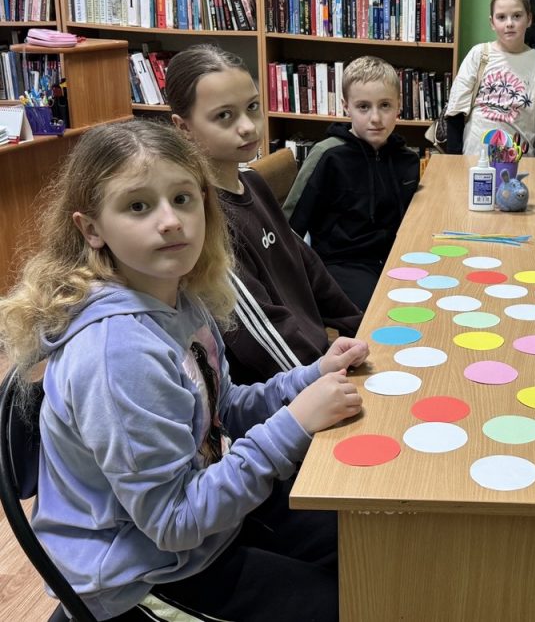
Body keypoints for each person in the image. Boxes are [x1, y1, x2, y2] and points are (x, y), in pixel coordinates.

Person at [0, 120, 369, 620]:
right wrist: (294, 424)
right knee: (351, 605)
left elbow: (223, 409)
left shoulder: (179, 297)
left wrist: (312, 374)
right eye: (138, 206)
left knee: (368, 541)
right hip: (140, 575)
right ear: (91, 229)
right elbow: (172, 523)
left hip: (204, 526)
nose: (171, 221)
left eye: (182, 199)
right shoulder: (118, 354)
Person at [165, 44, 362, 384]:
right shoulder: (205, 217)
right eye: (224, 116)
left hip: (317, 363)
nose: (247, 126)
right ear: (183, 128)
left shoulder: (253, 182)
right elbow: (257, 330)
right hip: (282, 387)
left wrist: (359, 324)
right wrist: (317, 377)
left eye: (252, 107)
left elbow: (308, 266)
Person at [284, 55, 421, 310]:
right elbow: (289, 227)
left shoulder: (407, 159)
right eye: (363, 107)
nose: (376, 118)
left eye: (385, 105)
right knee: (385, 312)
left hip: (395, 258)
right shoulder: (327, 156)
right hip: (341, 264)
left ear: (399, 105)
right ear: (346, 107)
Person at [443, 0, 535, 157]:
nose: (509, 23)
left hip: (520, 164)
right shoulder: (478, 55)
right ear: (492, 22)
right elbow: (456, 112)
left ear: (529, 19)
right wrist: (454, 162)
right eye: (501, 17)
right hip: (475, 161)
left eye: (517, 16)